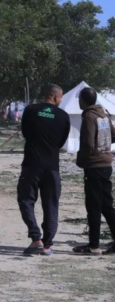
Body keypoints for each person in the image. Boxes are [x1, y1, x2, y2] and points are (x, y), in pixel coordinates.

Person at [18, 84, 70, 256]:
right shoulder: (63, 116)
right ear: (54, 97)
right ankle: (47, 244)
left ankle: (35, 238)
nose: (61, 100)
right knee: (51, 205)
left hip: (31, 164)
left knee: (26, 200)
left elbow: (25, 132)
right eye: (60, 97)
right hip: (52, 167)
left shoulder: (30, 110)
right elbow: (62, 142)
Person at [73, 87, 115, 255]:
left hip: (94, 165)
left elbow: (88, 143)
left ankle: (93, 245)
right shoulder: (103, 114)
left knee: (93, 206)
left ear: (83, 101)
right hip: (106, 164)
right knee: (106, 205)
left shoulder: (89, 117)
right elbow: (113, 135)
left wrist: (82, 160)